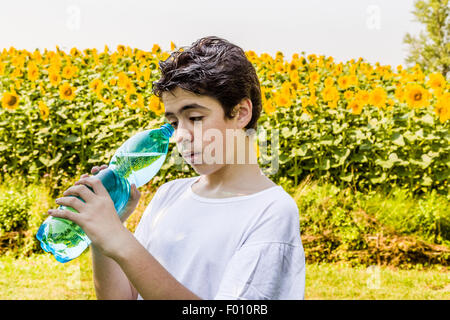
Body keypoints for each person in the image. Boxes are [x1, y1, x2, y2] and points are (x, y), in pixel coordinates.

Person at [48, 36, 306, 300]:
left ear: (240, 113)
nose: (180, 135)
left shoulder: (271, 211)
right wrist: (105, 235)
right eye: (173, 122)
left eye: (195, 118)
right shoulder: (169, 195)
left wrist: (121, 242)